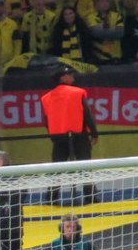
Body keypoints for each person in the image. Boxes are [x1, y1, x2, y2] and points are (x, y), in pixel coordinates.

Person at [40, 67, 98, 206]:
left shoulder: (46, 98)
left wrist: (52, 133)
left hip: (58, 137)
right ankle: (90, 197)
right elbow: (87, 115)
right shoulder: (78, 93)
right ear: (62, 77)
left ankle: (51, 198)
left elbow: (46, 120)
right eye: (70, 74)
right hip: (79, 135)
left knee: (56, 169)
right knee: (85, 167)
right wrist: (94, 133)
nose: (73, 77)